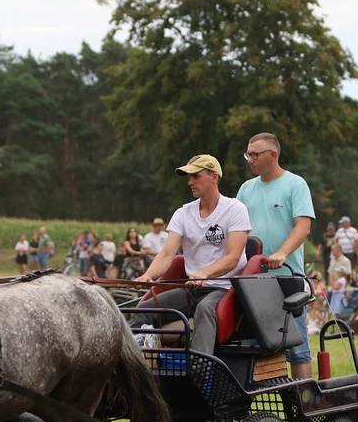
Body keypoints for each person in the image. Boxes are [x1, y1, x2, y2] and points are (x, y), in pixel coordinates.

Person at [130, 154, 250, 355]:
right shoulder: (183, 213)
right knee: (143, 311)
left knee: (205, 309)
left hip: (225, 289)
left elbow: (233, 257)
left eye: (196, 176)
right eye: (189, 177)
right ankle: (130, 364)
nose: (190, 182)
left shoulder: (235, 209)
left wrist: (205, 273)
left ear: (214, 176)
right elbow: (167, 254)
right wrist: (149, 276)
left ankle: (200, 369)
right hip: (192, 289)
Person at [237, 132, 317, 379]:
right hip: (252, 281)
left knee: (297, 348)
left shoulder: (295, 184)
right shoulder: (246, 189)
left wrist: (281, 253)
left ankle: (303, 403)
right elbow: (236, 229)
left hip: (287, 278)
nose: (250, 159)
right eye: (248, 154)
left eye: (254, 154)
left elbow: (303, 227)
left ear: (273, 155)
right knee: (251, 346)